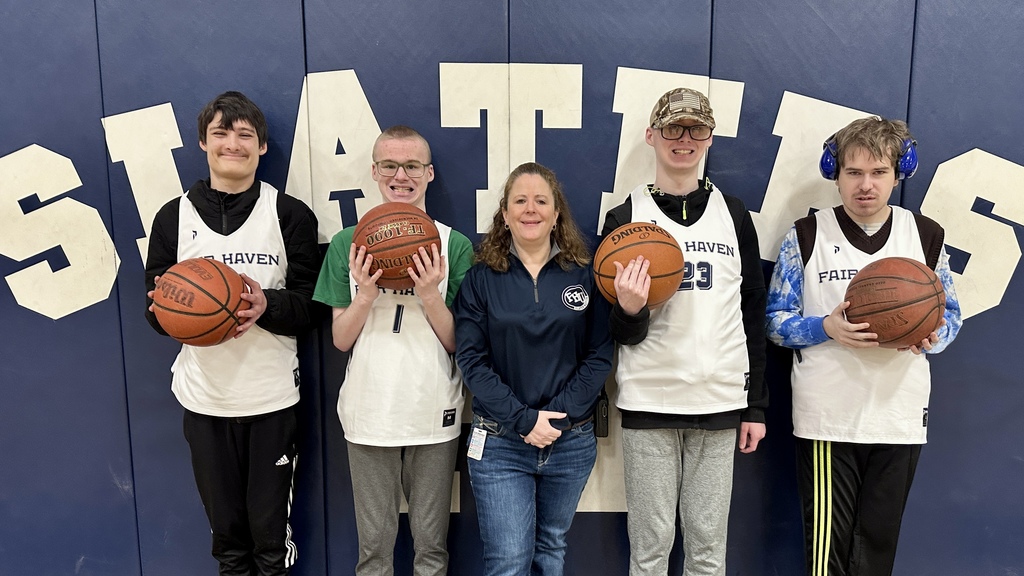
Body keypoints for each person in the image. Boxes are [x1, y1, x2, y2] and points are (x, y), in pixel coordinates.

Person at [765, 116, 962, 576]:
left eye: (878, 172)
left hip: (899, 416)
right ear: (836, 174)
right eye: (853, 173)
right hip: (828, 416)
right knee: (826, 558)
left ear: (899, 173)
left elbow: (950, 316)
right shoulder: (807, 234)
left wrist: (930, 336)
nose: (866, 185)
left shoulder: (926, 235)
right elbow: (774, 321)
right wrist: (825, 328)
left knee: (877, 550)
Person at [144, 91, 321, 575]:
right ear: (203, 141)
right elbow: (152, 314)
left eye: (245, 135)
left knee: (270, 544)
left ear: (262, 147)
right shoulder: (172, 217)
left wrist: (267, 305)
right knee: (227, 544)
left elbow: (315, 305)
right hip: (205, 401)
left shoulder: (289, 215)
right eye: (222, 133)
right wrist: (174, 308)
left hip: (271, 400)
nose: (233, 144)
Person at [601, 87, 767, 576]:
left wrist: (754, 405)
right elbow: (619, 334)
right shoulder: (625, 217)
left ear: (710, 138)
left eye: (696, 128)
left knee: (707, 552)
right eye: (673, 127)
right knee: (650, 551)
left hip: (718, 401)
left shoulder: (734, 215)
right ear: (652, 135)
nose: (684, 138)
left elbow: (752, 312)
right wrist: (630, 310)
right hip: (650, 397)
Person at [313, 125, 473, 576]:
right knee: (374, 554)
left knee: (432, 552)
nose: (400, 175)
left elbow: (461, 342)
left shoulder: (453, 244)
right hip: (368, 414)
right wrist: (365, 294)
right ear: (374, 171)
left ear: (429, 173)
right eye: (389, 165)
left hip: (433, 411)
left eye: (412, 166)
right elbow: (340, 339)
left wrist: (429, 295)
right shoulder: (347, 243)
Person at [453, 162, 613, 576]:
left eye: (541, 200)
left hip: (571, 441)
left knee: (551, 553)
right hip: (500, 442)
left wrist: (555, 419)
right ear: (504, 214)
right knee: (507, 561)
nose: (530, 209)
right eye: (519, 201)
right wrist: (524, 419)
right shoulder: (480, 279)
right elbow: (471, 359)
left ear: (556, 212)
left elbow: (600, 354)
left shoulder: (585, 273)